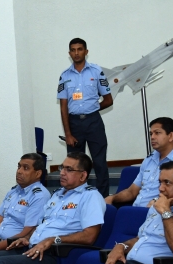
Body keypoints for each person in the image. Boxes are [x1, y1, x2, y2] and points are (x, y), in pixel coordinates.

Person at [58, 37, 113, 197]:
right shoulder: (64, 76)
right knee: (74, 165)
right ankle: (76, 197)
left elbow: (108, 100)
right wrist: (68, 133)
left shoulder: (96, 71)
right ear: (69, 53)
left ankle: (103, 199)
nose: (76, 53)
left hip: (94, 122)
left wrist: (92, 109)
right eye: (73, 50)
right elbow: (63, 107)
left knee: (100, 162)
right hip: (74, 125)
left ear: (86, 52)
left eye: (80, 49)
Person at [106, 117, 173, 207]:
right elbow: (131, 192)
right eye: (151, 134)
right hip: (136, 210)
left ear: (171, 136)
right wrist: (113, 197)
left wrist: (157, 201)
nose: (152, 137)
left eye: (157, 133)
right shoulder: (149, 159)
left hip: (161, 211)